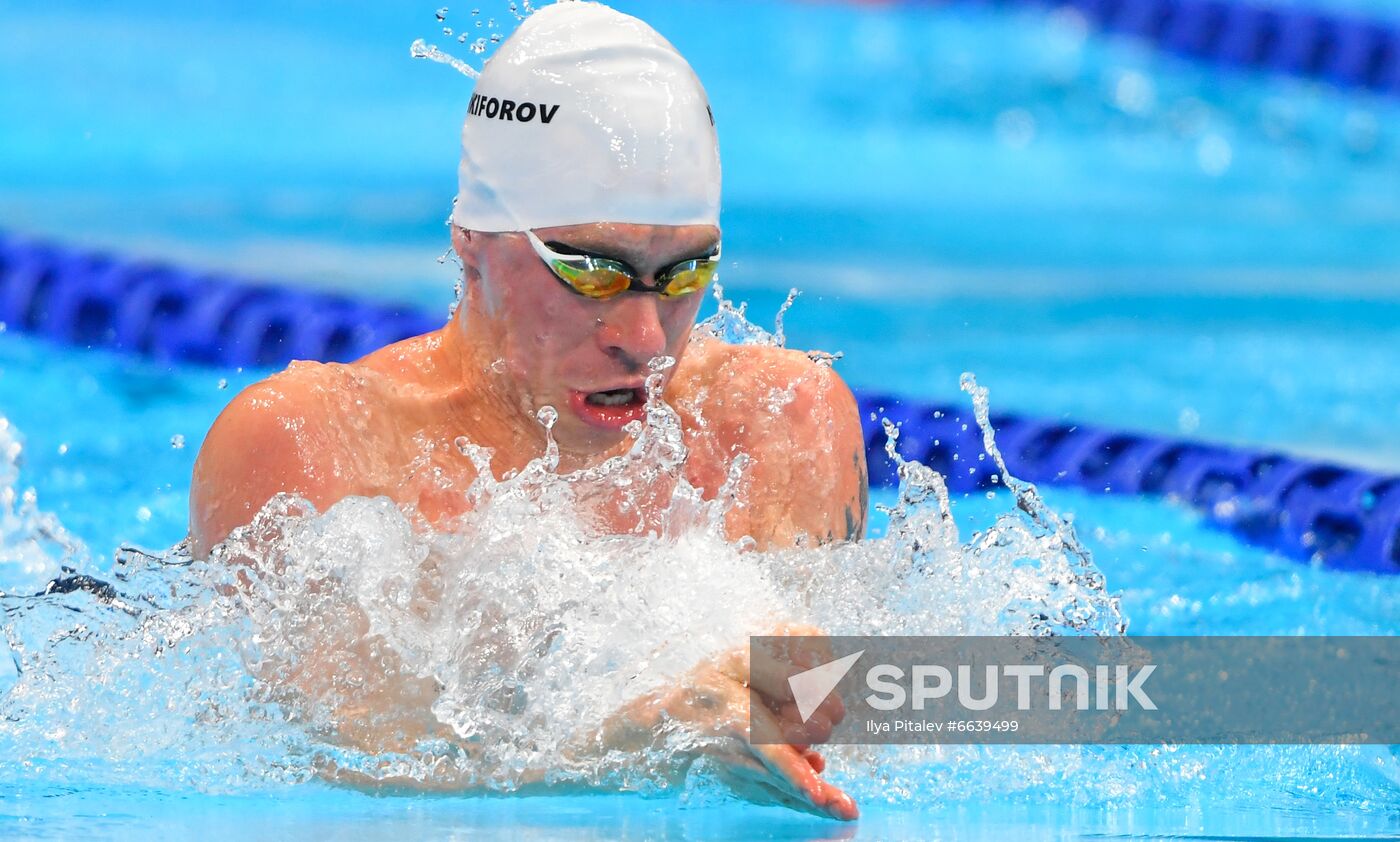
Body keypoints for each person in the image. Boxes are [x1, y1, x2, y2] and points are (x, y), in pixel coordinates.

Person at [189, 0, 866, 821]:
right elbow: (361, 763)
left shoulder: (778, 420)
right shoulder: (315, 444)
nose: (647, 339)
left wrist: (790, 688)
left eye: (687, 272)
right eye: (592, 271)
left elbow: (867, 707)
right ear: (472, 247)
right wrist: (638, 737)